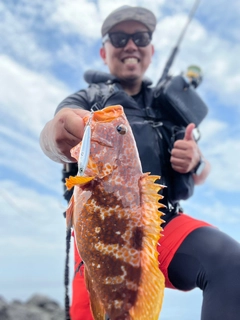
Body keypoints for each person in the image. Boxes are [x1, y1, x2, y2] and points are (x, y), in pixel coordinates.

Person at [40, 5, 240, 320]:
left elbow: (202, 174)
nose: (130, 45)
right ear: (104, 52)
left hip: (162, 225)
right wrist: (60, 132)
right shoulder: (88, 97)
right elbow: (54, 135)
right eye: (119, 38)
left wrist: (196, 161)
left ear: (151, 49)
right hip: (101, 233)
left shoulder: (170, 109)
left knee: (231, 262)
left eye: (140, 37)